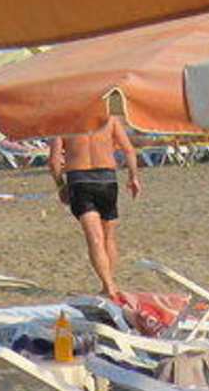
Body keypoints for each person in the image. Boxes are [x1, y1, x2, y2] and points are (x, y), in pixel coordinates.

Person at [48, 118, 140, 299]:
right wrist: (133, 177)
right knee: (108, 237)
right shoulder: (110, 120)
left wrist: (60, 185)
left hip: (79, 180)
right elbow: (129, 150)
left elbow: (53, 161)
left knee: (95, 238)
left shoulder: (62, 122)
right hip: (107, 179)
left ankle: (108, 286)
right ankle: (109, 283)